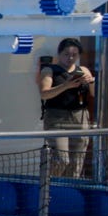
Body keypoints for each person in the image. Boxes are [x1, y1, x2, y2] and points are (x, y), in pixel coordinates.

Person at [39, 37, 95, 178]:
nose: (70, 58)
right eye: (66, 54)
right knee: (61, 159)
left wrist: (92, 81)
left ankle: (70, 191)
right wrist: (66, 85)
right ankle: (49, 186)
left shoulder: (82, 70)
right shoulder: (49, 70)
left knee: (76, 162)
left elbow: (94, 94)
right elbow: (44, 94)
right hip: (57, 118)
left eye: (74, 55)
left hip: (79, 116)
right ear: (59, 54)